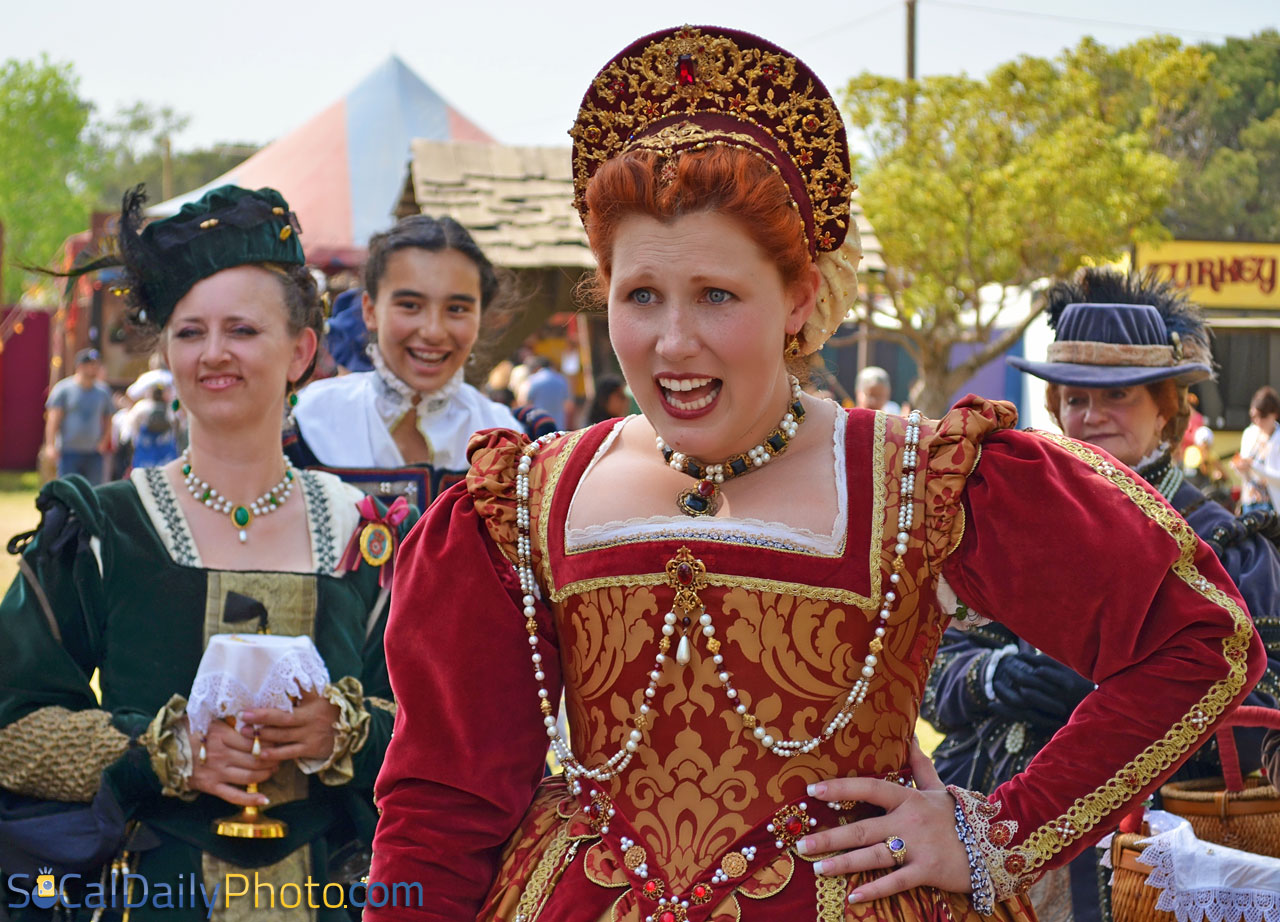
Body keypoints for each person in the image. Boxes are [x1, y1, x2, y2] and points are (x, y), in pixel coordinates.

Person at [367, 26, 1265, 921]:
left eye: (718, 295)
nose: (673, 343)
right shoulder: (521, 502)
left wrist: (1003, 833)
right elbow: (441, 805)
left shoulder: (925, 480)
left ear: (799, 299)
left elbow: (1199, 642)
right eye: (641, 295)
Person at [0, 185, 414, 921]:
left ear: (301, 352)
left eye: (243, 330)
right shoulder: (101, 527)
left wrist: (342, 729)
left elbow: (436, 728)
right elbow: (11, 726)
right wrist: (160, 750)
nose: (213, 353)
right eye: (189, 332)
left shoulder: (366, 534)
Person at [925, 268, 1280, 922]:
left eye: (1115, 395)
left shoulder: (1226, 545)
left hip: (1142, 860)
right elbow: (920, 671)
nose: (1089, 416)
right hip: (976, 843)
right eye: (1072, 397)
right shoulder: (991, 517)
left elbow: (1262, 709)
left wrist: (1128, 697)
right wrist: (992, 678)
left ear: (1167, 407)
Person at [286, 215, 522, 508]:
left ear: (479, 317)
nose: (433, 331)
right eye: (410, 306)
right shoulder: (309, 423)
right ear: (370, 311)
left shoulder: (509, 440)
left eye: (457, 308)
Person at [43, 348, 113, 485]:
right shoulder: (64, 389)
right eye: (91, 365)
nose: (94, 369)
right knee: (68, 491)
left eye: (96, 365)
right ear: (80, 366)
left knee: (94, 491)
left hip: (93, 452)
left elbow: (108, 418)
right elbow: (53, 419)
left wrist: (104, 441)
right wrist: (50, 445)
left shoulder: (103, 392)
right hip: (69, 451)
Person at [1233, 385, 1280, 514]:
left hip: (1272, 504)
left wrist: (1253, 465)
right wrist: (1239, 466)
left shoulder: (1278, 437)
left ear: (1274, 414)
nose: (1258, 421)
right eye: (1254, 417)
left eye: (1263, 416)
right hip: (1249, 502)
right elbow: (1244, 474)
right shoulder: (1249, 433)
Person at [127, 382, 181, 469]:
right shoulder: (170, 409)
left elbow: (132, 426)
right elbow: (177, 426)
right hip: (165, 447)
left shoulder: (141, 407)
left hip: (145, 447)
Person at [518, 355, 573, 430]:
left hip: (538, 425)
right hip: (558, 426)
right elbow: (568, 405)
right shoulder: (561, 379)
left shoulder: (532, 380)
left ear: (537, 367)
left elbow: (523, 402)